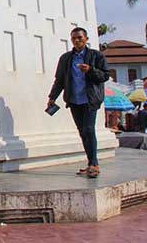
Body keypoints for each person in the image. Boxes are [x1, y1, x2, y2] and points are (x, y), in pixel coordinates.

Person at [47, 27, 110, 179]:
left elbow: (105, 75)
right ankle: (90, 163)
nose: (77, 41)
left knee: (89, 129)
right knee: (82, 131)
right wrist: (52, 97)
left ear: (86, 39)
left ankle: (94, 163)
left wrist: (90, 70)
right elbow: (60, 80)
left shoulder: (96, 56)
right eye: (74, 38)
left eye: (80, 38)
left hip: (90, 99)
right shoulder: (66, 58)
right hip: (74, 99)